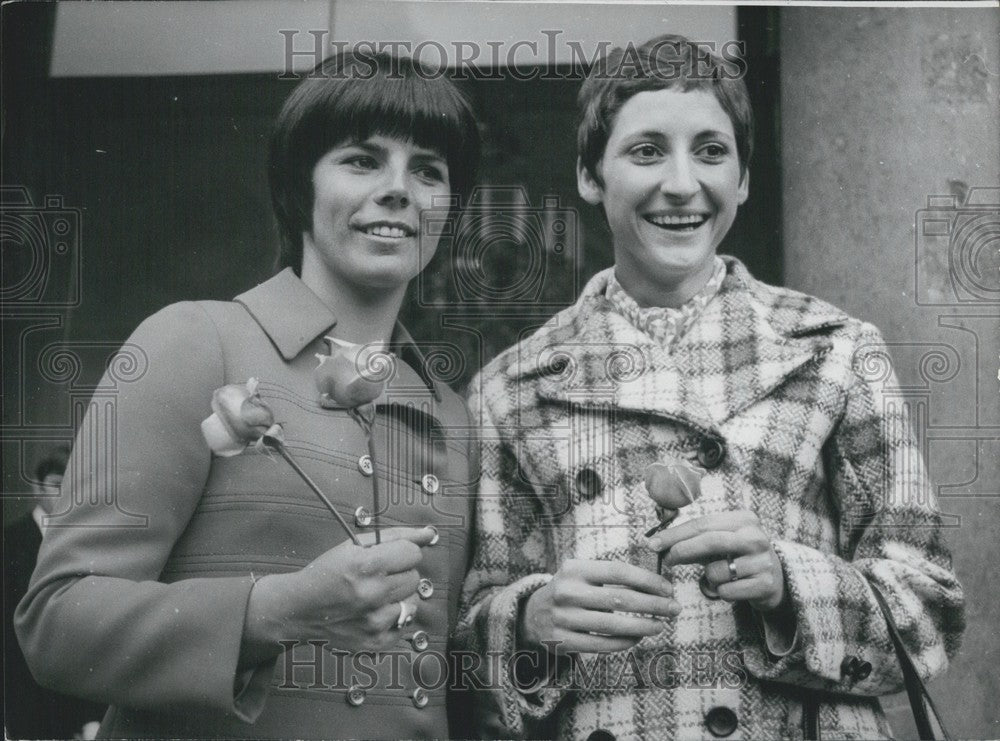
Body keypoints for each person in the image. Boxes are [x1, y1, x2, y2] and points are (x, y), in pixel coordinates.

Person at [457, 34, 964, 740]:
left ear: (744, 180)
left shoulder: (838, 350)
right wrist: (530, 618)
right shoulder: (510, 389)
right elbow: (465, 653)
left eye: (711, 151)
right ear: (589, 175)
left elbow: (931, 611)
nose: (681, 183)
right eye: (645, 151)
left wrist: (790, 581)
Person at [16, 51, 481, 739]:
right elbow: (56, 623)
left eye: (428, 170)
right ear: (299, 185)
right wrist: (275, 609)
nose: (399, 189)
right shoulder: (193, 340)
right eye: (361, 160)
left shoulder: (451, 410)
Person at [4, 448, 104, 739]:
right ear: (37, 487)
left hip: (78, 699)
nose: (65, 495)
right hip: (25, 700)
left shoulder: (85, 544)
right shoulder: (9, 543)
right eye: (57, 485)